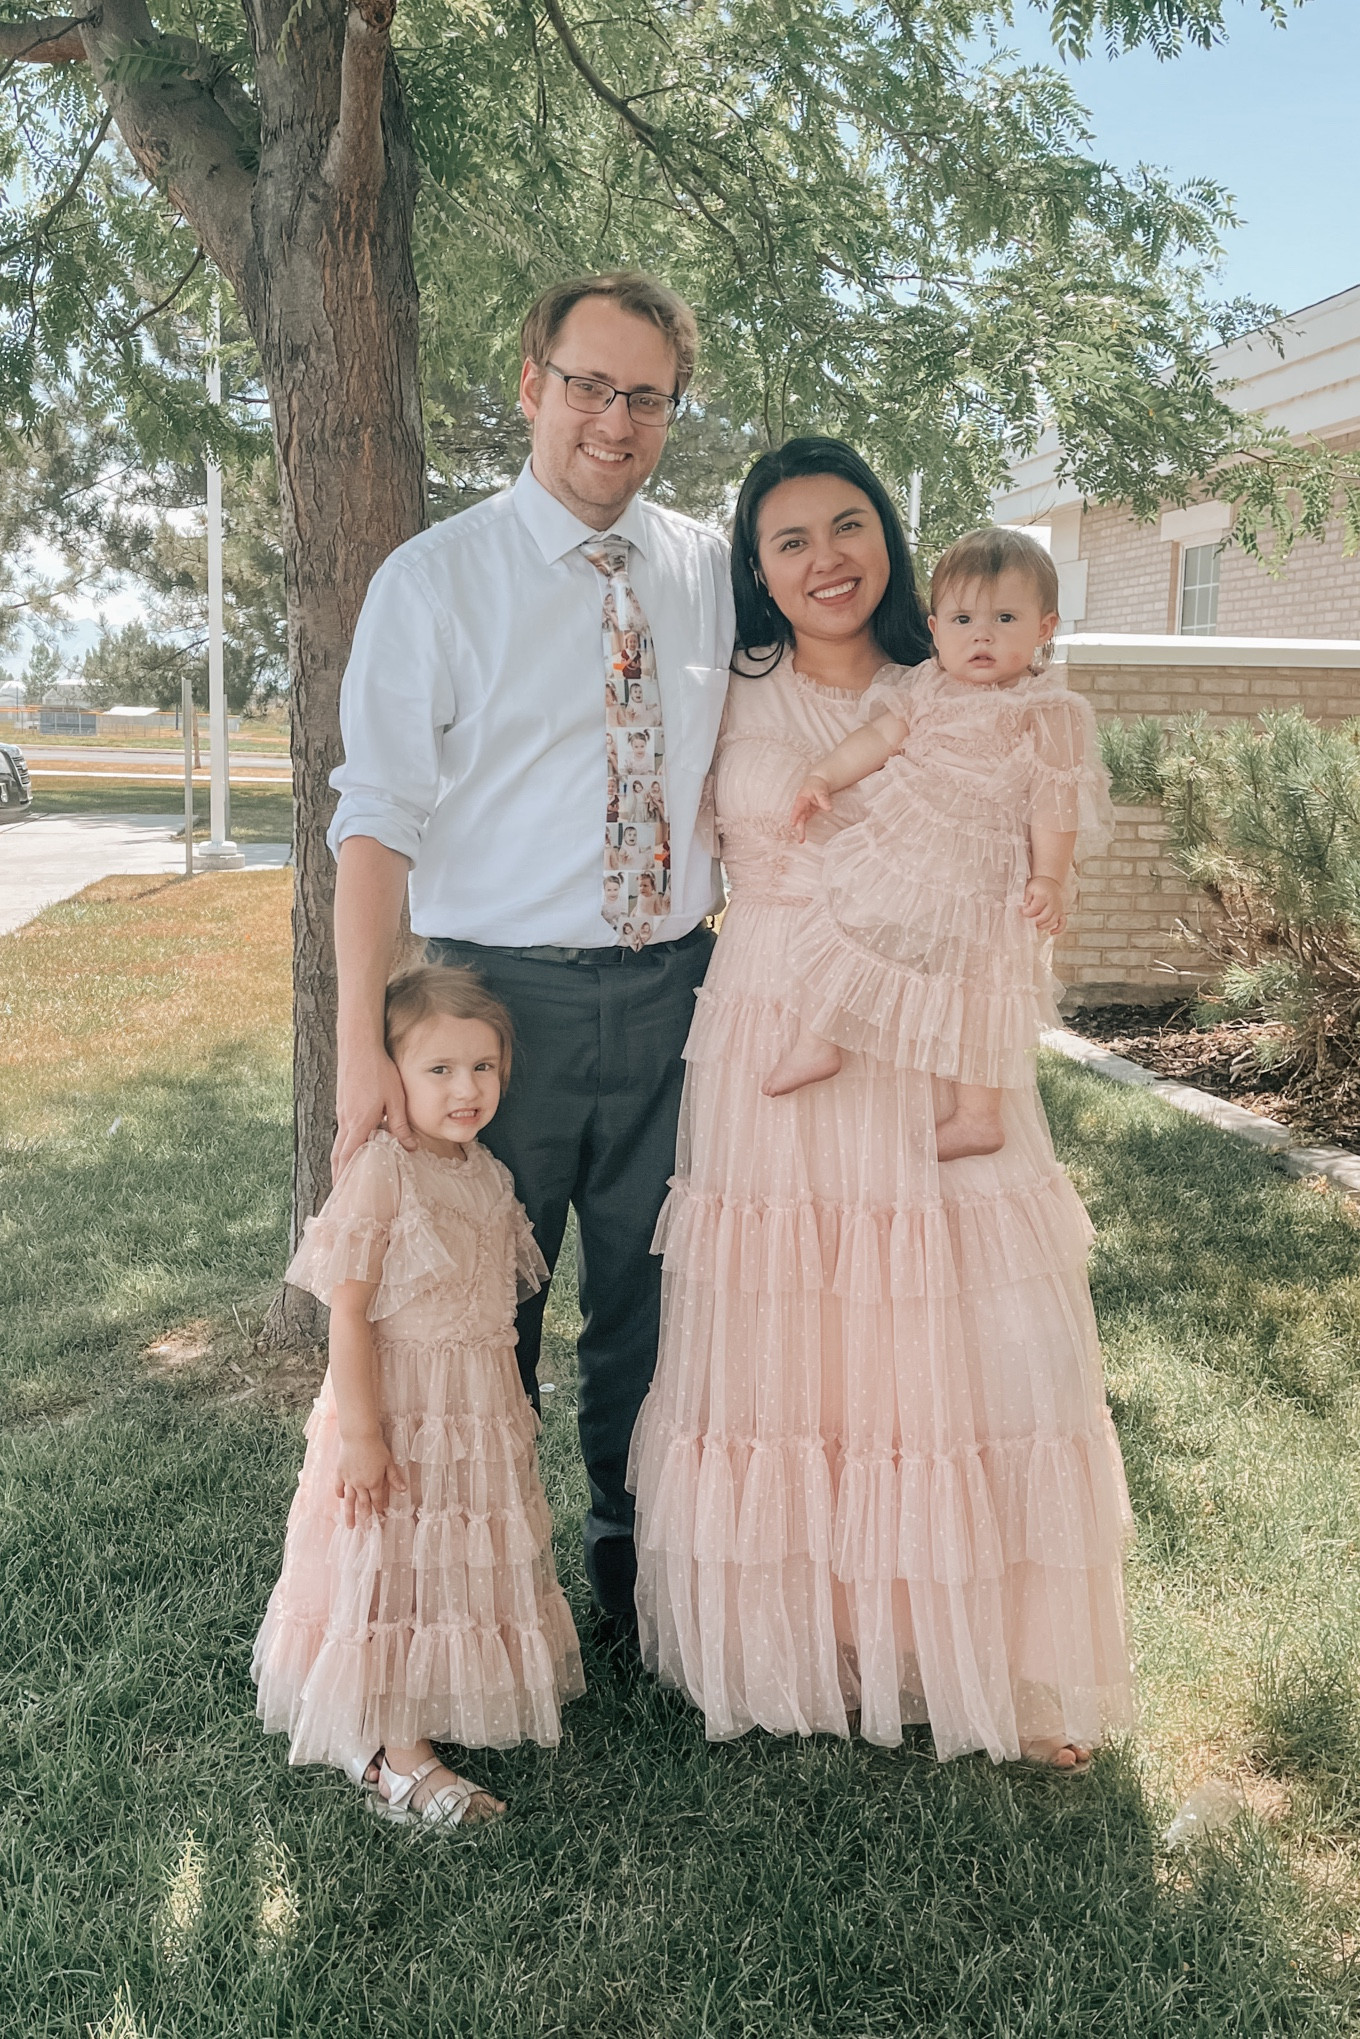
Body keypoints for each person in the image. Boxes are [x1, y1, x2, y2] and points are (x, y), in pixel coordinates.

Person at [628, 437, 1134, 1768]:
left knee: (966, 1333)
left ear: (891, 541)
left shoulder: (958, 674)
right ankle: (825, 1633)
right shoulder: (718, 689)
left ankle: (992, 1658)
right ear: (755, 566)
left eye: (849, 525)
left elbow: (1046, 814)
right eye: (789, 539)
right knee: (803, 1338)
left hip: (930, 1022)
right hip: (769, 1025)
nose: (826, 558)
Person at [328, 271, 733, 1638]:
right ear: (529, 382)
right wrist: (361, 1067)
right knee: (474, 1317)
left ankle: (631, 1567)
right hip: (495, 1008)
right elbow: (374, 827)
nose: (612, 421)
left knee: (650, 1298)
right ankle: (471, 1591)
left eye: (646, 396)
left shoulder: (706, 573)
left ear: (671, 413)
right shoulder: (434, 580)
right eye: (587, 384)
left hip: (680, 995)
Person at [254, 967, 584, 1826]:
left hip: (470, 1413)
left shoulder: (490, 1176)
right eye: (438, 1069)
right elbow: (350, 1311)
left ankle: (430, 1706)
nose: (466, 1089)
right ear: (392, 1073)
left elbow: (497, 1308)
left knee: (449, 1569)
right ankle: (400, 1760)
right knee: (398, 1572)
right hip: (398, 1411)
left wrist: (506, 1407)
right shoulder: (383, 1171)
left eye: (484, 1067)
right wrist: (362, 1433)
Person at [763, 528, 1112, 1164]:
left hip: (986, 877)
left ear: (1045, 627)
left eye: (1005, 618)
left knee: (983, 989)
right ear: (935, 627)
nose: (982, 635)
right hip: (909, 851)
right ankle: (821, 1038)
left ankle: (978, 1116)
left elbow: (1054, 800)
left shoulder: (1047, 708)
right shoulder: (924, 687)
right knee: (852, 918)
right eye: (963, 619)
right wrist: (822, 777)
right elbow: (875, 741)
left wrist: (1051, 877)